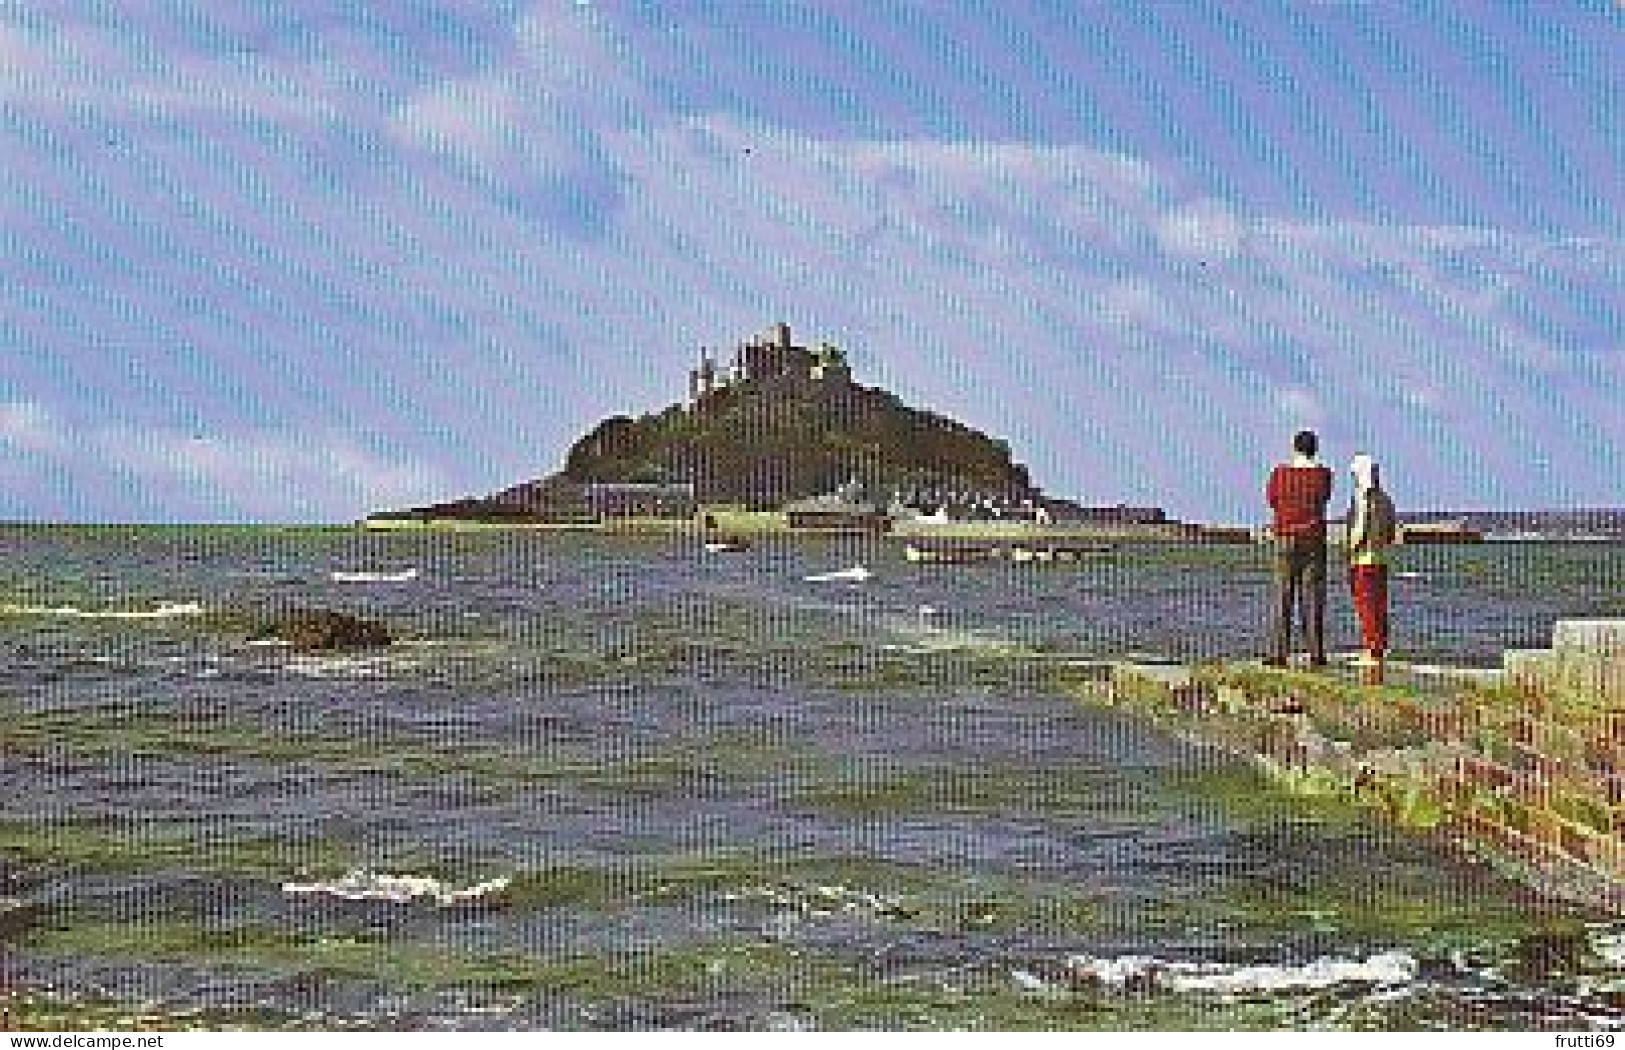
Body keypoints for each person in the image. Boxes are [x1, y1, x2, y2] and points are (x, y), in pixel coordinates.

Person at [1265, 430, 1333, 667]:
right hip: (1313, 538)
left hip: (1285, 536)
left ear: (1294, 448)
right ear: (1315, 449)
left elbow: (1272, 499)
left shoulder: (1279, 473)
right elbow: (1325, 498)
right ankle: (1315, 652)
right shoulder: (1323, 474)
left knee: (1282, 595)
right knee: (1312, 597)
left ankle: (1277, 653)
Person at [1346, 453, 1397, 677]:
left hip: (1363, 559)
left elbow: (1359, 528)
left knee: (1366, 606)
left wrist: (1350, 548)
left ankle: (1372, 650)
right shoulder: (1386, 500)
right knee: (1379, 606)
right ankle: (1380, 646)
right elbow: (1390, 531)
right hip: (1380, 559)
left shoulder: (1362, 499)